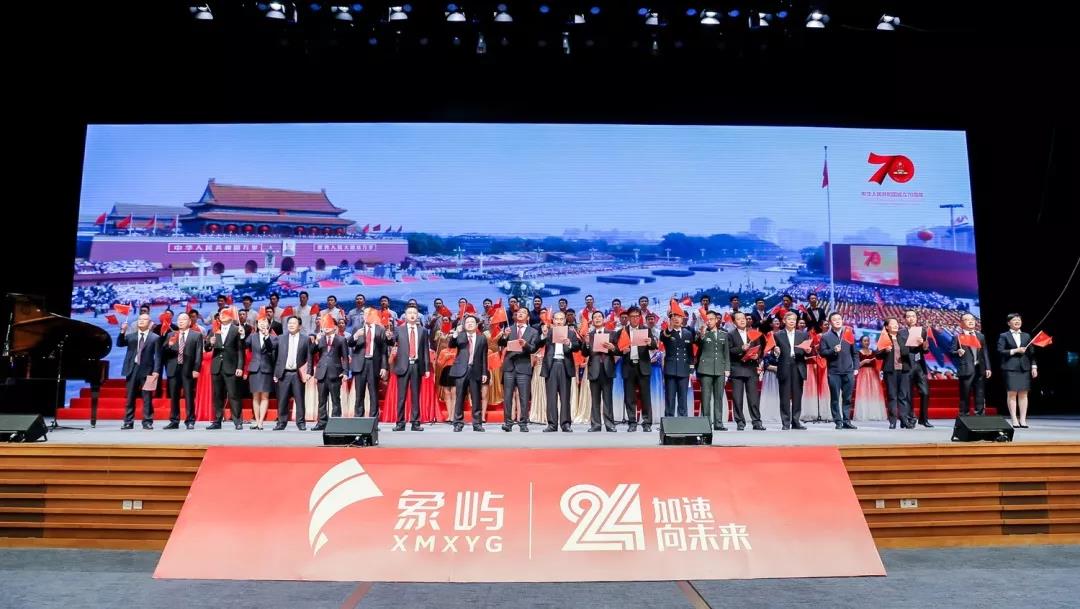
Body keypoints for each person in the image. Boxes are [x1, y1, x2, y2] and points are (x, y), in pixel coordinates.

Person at [386, 306, 431, 431]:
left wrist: (427, 368)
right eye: (409, 313)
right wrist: (388, 337)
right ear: (405, 316)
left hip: (417, 365)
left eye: (414, 313)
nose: (412, 315)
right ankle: (400, 423)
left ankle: (415, 422)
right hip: (402, 365)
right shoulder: (399, 329)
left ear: (417, 316)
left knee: (415, 396)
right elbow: (391, 342)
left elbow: (425, 350)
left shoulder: (423, 331)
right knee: (401, 396)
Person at [497, 307, 540, 432]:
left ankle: (523, 423)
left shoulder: (533, 331)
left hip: (523, 366)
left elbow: (533, 348)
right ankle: (508, 422)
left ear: (528, 317)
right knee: (508, 396)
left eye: (523, 312)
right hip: (509, 366)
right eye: (519, 312)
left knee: (524, 396)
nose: (520, 314)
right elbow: (500, 343)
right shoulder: (509, 329)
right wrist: (504, 336)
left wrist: (525, 344)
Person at [117, 313, 161, 430]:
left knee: (147, 398)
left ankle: (147, 421)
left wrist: (156, 371)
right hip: (132, 369)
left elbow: (158, 356)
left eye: (144, 319)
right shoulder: (131, 336)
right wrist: (122, 331)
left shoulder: (155, 338)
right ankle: (128, 421)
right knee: (130, 397)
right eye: (140, 319)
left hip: (148, 370)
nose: (141, 321)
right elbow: (120, 343)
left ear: (150, 322)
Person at [540, 310, 581, 432]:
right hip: (551, 365)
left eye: (561, 319)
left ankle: (565, 423)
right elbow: (537, 344)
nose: (559, 321)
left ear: (565, 321)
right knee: (551, 397)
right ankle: (552, 424)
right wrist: (543, 335)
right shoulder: (548, 331)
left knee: (565, 397)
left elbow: (577, 347)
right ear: (553, 320)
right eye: (556, 319)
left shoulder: (571, 333)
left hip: (564, 365)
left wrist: (569, 343)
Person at [205, 308, 245, 430]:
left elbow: (240, 350)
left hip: (231, 366)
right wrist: (210, 343)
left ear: (231, 316)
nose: (221, 316)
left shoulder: (236, 330)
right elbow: (207, 348)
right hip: (217, 366)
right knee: (217, 395)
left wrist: (240, 366)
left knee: (233, 394)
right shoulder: (214, 329)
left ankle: (237, 421)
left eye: (225, 314)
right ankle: (217, 421)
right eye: (221, 314)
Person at [619, 306, 658, 431]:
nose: (635, 319)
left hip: (643, 366)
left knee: (645, 396)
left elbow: (654, 346)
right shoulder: (622, 331)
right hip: (629, 366)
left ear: (640, 317)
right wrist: (622, 351)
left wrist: (650, 342)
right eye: (632, 316)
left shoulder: (646, 330)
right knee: (630, 397)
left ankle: (647, 423)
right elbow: (616, 349)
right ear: (628, 318)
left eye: (637, 316)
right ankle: (632, 422)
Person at [161, 312, 201, 430]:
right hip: (173, 368)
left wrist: (196, 369)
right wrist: (169, 345)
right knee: (174, 396)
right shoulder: (171, 334)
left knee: (189, 395)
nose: (181, 321)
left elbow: (198, 354)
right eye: (179, 319)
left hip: (188, 369)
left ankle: (190, 420)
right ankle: (174, 420)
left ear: (189, 322)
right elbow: (163, 352)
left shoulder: (196, 335)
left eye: (183, 319)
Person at [818, 313, 858, 430]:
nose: (837, 321)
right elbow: (822, 353)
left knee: (847, 398)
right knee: (835, 398)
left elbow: (855, 353)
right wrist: (833, 350)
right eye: (834, 319)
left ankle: (847, 421)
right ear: (830, 322)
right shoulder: (826, 337)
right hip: (834, 372)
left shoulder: (848, 334)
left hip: (848, 371)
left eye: (839, 319)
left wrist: (856, 368)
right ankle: (838, 421)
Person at [449, 315, 489, 431]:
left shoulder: (482, 338)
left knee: (476, 398)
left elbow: (484, 357)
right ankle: (458, 423)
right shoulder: (460, 336)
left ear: (476, 325)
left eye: (472, 322)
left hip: (475, 370)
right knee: (459, 397)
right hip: (461, 370)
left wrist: (484, 373)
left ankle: (477, 424)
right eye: (467, 322)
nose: (470, 324)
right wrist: (455, 334)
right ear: (464, 325)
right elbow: (451, 345)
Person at [997, 313, 1038, 428]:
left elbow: (1032, 353)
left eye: (1019, 320)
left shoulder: (1026, 336)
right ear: (1008, 323)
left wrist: (1034, 367)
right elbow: (1000, 351)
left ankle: (1023, 420)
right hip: (1010, 368)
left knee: (1024, 394)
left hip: (1024, 368)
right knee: (1012, 393)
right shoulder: (1004, 335)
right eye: (1014, 320)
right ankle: (1014, 419)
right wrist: (1015, 350)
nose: (1017, 322)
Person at [580, 310, 618, 432]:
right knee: (595, 399)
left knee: (608, 399)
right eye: (595, 317)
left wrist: (613, 348)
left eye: (599, 316)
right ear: (592, 321)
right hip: (594, 369)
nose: (597, 318)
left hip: (607, 369)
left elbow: (619, 350)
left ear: (603, 319)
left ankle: (610, 424)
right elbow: (584, 353)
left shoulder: (612, 333)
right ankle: (595, 425)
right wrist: (586, 343)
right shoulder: (589, 335)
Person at [347, 309, 388, 419]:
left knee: (373, 393)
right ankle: (358, 418)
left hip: (374, 364)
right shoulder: (358, 328)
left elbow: (384, 350)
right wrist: (356, 336)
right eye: (364, 314)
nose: (366, 316)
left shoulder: (380, 329)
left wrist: (384, 367)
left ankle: (373, 420)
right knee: (359, 393)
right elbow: (350, 344)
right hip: (360, 363)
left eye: (368, 314)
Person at [273, 316, 312, 430]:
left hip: (298, 373)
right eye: (289, 323)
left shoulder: (305, 339)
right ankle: (281, 423)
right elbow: (274, 355)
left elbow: (309, 356)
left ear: (299, 326)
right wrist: (276, 372)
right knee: (282, 399)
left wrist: (309, 372)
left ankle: (301, 423)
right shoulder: (281, 338)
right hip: (284, 373)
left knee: (299, 399)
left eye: (294, 323)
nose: (291, 325)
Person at [728, 312, 765, 431]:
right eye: (739, 319)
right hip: (737, 368)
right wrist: (741, 349)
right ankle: (740, 422)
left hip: (751, 368)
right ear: (734, 322)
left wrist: (757, 356)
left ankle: (757, 422)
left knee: (753, 398)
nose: (742, 320)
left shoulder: (753, 333)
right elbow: (728, 350)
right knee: (737, 398)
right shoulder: (730, 334)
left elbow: (759, 348)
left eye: (743, 318)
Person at [772, 312, 809, 430]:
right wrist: (775, 351)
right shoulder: (777, 335)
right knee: (784, 396)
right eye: (789, 319)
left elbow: (809, 351)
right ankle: (785, 422)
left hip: (798, 366)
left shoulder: (803, 335)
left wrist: (808, 351)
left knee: (797, 396)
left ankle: (796, 421)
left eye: (794, 319)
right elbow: (773, 351)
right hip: (784, 366)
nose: (792, 321)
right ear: (784, 321)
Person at [695, 310, 731, 431]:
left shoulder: (724, 334)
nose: (709, 321)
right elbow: (698, 342)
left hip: (720, 368)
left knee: (718, 397)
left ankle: (718, 423)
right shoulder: (703, 333)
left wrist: (727, 368)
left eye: (711, 319)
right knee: (706, 397)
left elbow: (726, 353)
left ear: (716, 320)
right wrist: (702, 333)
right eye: (707, 319)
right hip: (706, 369)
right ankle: (706, 423)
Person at [953, 312, 992, 416]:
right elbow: (951, 352)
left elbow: (985, 352)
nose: (970, 321)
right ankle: (964, 415)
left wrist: (988, 367)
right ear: (961, 323)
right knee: (965, 393)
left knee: (980, 393)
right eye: (967, 320)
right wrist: (958, 352)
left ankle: (979, 415)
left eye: (972, 319)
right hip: (966, 369)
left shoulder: (980, 336)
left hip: (980, 368)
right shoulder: (958, 337)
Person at [660, 304, 695, 417]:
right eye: (673, 317)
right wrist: (669, 327)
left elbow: (690, 353)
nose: (676, 319)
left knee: (683, 397)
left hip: (684, 369)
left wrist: (691, 368)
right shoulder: (666, 332)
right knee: (670, 397)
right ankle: (669, 420)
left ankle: (683, 420)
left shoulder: (688, 333)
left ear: (683, 319)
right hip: (670, 370)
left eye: (679, 317)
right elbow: (663, 337)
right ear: (670, 319)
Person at [877, 318, 913, 429]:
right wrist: (885, 351)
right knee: (892, 396)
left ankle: (904, 420)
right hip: (890, 370)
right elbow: (877, 355)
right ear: (887, 327)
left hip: (904, 370)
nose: (896, 325)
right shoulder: (884, 338)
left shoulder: (902, 337)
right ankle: (892, 421)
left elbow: (908, 352)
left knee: (903, 396)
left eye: (897, 323)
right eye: (892, 324)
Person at [904, 310, 934, 428]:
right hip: (907, 364)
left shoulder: (922, 331)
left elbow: (925, 350)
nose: (911, 318)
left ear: (916, 318)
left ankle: (924, 419)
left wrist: (924, 346)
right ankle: (911, 418)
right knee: (908, 394)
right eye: (908, 316)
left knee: (925, 392)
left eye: (913, 316)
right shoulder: (901, 332)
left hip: (919, 365)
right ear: (905, 319)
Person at [245, 315, 276, 430]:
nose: (262, 324)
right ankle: (257, 421)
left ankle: (261, 421)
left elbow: (271, 349)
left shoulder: (273, 338)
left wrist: (266, 336)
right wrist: (242, 335)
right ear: (257, 325)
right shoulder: (252, 336)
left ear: (268, 324)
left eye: (264, 322)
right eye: (260, 322)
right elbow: (244, 345)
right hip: (254, 369)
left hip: (266, 369)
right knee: (255, 396)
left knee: (264, 396)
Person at [853, 335, 887, 422]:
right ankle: (864, 414)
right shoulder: (858, 352)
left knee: (875, 392)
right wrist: (863, 362)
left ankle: (874, 413)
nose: (866, 342)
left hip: (873, 374)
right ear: (861, 342)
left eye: (868, 341)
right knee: (863, 393)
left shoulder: (873, 352)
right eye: (864, 341)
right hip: (863, 374)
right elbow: (856, 365)